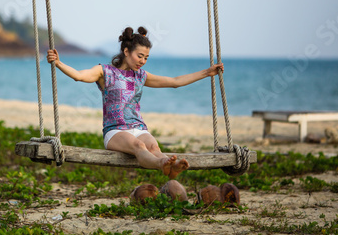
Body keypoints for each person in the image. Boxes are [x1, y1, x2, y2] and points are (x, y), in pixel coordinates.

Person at [47, 26, 224, 179]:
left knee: (153, 146)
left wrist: (207, 72)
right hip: (115, 131)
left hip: (138, 127)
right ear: (126, 51)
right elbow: (79, 76)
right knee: (139, 146)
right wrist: (58, 63)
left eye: (146, 58)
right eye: (140, 56)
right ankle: (164, 164)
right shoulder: (105, 72)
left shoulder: (141, 76)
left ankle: (170, 167)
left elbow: (175, 81)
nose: (143, 61)